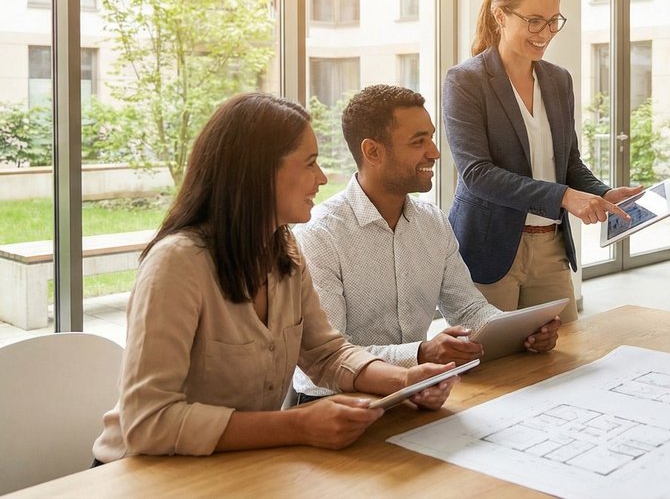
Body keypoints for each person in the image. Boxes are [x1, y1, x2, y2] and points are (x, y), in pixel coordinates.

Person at [92, 94, 459, 462]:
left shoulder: (284, 250)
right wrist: (297, 426)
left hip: (234, 466)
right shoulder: (176, 265)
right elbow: (148, 422)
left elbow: (326, 353)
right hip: (142, 474)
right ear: (259, 170)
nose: (321, 178)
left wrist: (405, 381)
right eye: (310, 163)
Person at [293, 85, 560, 401]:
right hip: (332, 401)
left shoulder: (432, 221)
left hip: (416, 391)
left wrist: (519, 331)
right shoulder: (319, 235)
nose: (434, 151)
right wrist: (420, 353)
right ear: (373, 152)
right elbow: (329, 356)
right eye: (418, 142)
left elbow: (467, 307)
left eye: (431, 138)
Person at [442, 0, 643, 323]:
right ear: (500, 15)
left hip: (550, 246)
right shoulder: (465, 81)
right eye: (534, 20)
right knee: (492, 368)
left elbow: (568, 162)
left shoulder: (558, 80)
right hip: (490, 248)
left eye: (553, 21)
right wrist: (564, 198)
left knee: (563, 358)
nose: (545, 33)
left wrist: (602, 193)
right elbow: (477, 174)